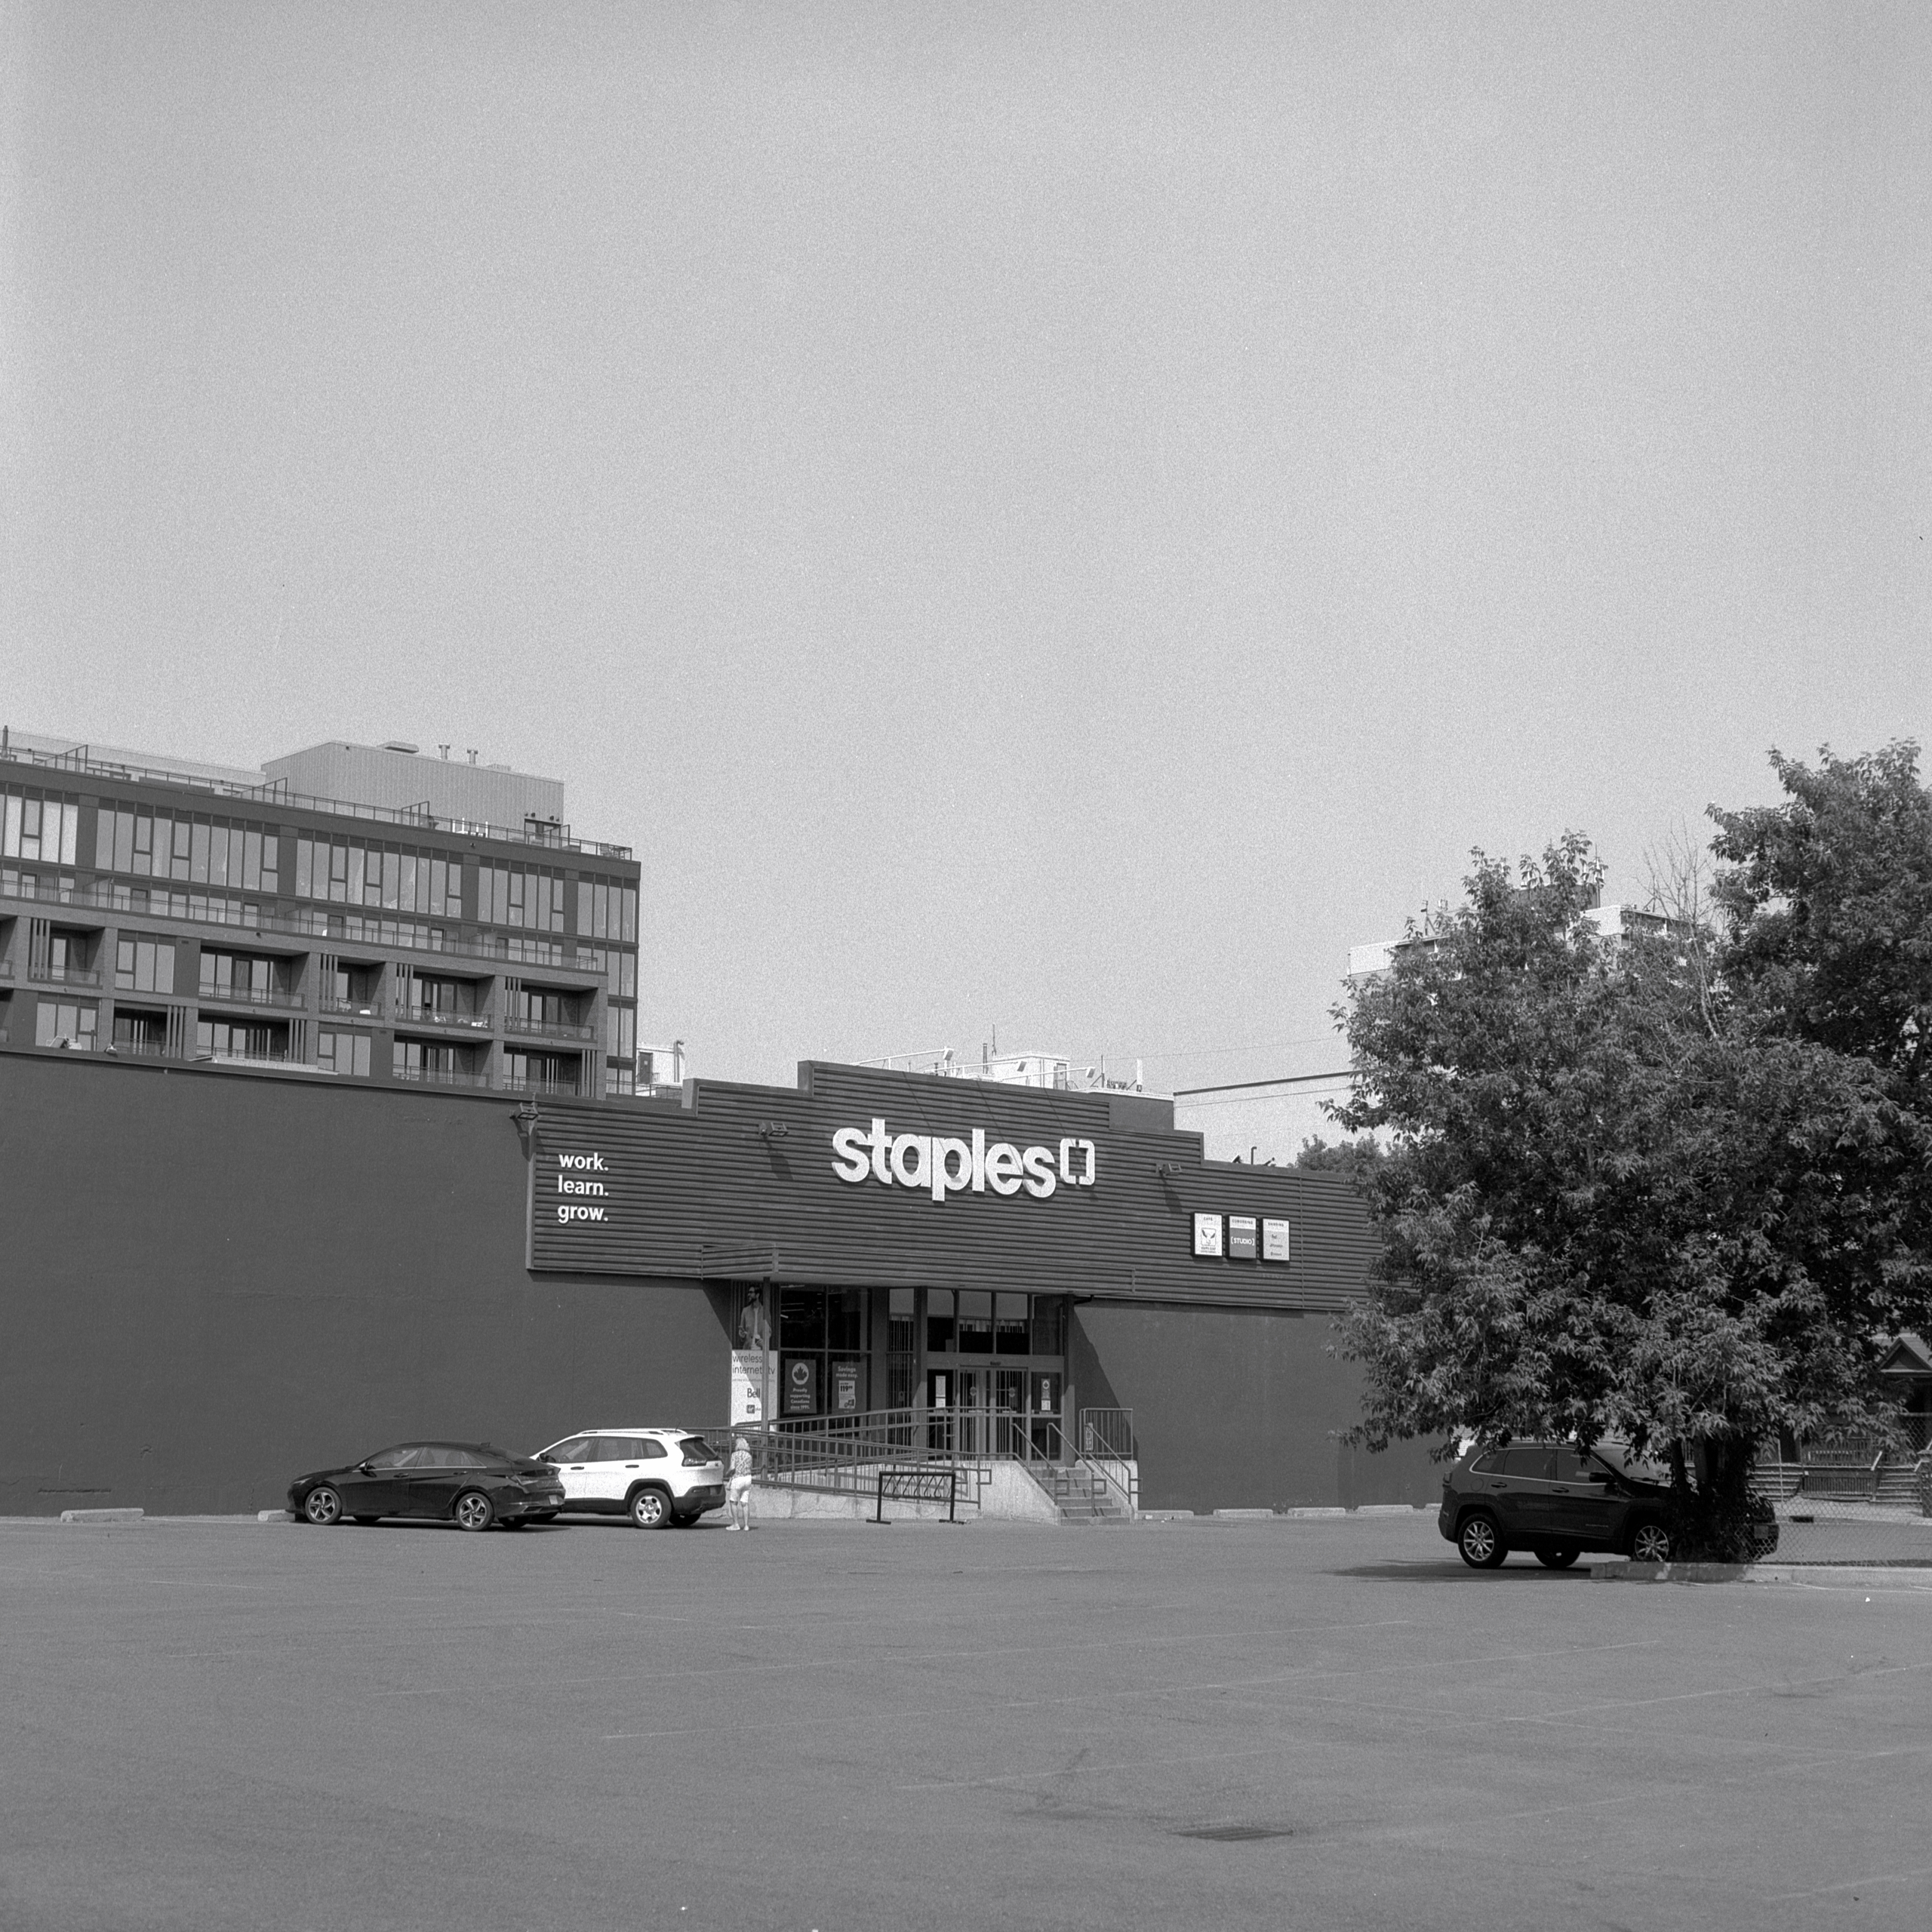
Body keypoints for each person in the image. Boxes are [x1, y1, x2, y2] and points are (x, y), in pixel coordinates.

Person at [726, 1434, 753, 1531]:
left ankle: (736, 1524)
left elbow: (732, 1467)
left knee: (733, 1502)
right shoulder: (749, 1456)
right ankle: (746, 1525)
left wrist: (727, 1473)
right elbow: (750, 1468)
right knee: (745, 1503)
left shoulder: (735, 1455)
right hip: (748, 1479)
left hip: (738, 1479)